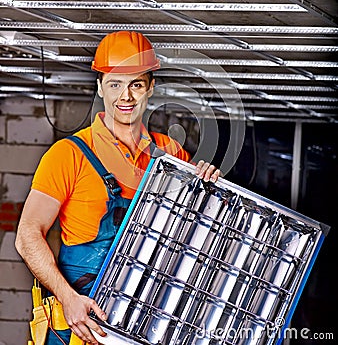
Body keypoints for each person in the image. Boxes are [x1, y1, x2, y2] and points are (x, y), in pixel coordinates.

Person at [15, 31, 221, 345]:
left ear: (151, 87)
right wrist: (67, 298)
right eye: (114, 84)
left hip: (147, 319)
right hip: (81, 325)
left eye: (136, 84)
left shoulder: (172, 154)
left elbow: (193, 232)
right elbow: (27, 234)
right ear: (100, 86)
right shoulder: (68, 155)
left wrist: (207, 185)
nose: (125, 97)